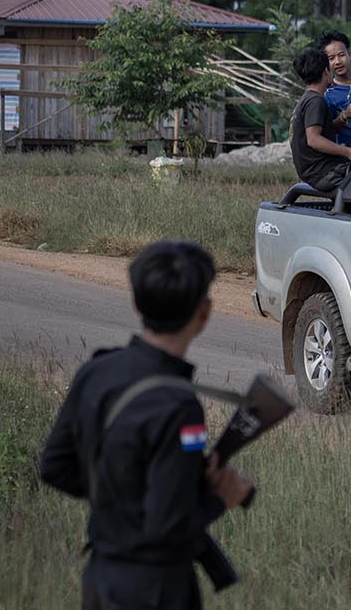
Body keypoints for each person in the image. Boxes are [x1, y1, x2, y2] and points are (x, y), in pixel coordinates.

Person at [39, 240, 255, 610]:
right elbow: (167, 527)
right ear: (204, 313)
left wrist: (121, 495)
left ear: (137, 304)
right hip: (155, 590)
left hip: (101, 578)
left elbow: (54, 467)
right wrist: (222, 498)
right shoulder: (179, 407)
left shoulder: (96, 371)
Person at [290, 48, 351, 193]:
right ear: (325, 72)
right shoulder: (316, 101)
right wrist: (348, 151)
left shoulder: (308, 98)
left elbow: (324, 131)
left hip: (316, 172)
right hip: (324, 173)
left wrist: (343, 116)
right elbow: (314, 139)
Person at [319, 30, 351, 147]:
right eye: (331, 58)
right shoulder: (327, 95)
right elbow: (326, 131)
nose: (337, 62)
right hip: (347, 157)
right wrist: (343, 116)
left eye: (341, 55)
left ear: (350, 54)